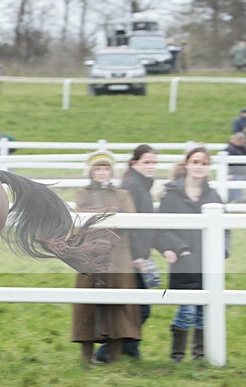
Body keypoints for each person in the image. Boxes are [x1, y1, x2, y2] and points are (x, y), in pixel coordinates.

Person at [95, 145, 181, 362]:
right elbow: (127, 226)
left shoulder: (140, 186)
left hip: (135, 256)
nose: (151, 166)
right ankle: (110, 351)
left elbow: (148, 226)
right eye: (146, 162)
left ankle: (128, 350)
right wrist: (135, 255)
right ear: (135, 163)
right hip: (127, 258)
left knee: (136, 306)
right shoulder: (132, 186)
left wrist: (166, 248)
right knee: (139, 308)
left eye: (153, 163)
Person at [71, 150, 141, 365]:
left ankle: (114, 357)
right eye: (98, 168)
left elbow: (130, 219)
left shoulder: (122, 195)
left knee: (118, 305)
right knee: (87, 304)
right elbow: (83, 219)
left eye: (106, 168)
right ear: (91, 171)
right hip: (90, 255)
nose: (102, 172)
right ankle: (86, 357)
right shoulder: (83, 193)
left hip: (118, 256)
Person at [159, 146, 226, 362]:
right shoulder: (172, 195)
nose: (199, 167)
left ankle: (200, 356)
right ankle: (177, 356)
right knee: (186, 309)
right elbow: (162, 227)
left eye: (204, 163)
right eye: (195, 162)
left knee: (203, 312)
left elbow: (226, 230)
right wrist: (180, 248)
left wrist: (221, 251)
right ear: (187, 164)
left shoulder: (214, 196)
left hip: (208, 264)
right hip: (183, 262)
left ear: (208, 168)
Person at [225, 132, 246, 203]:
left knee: (234, 193)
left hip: (240, 173)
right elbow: (228, 164)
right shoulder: (230, 148)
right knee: (236, 194)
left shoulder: (241, 148)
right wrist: (230, 173)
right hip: (234, 174)